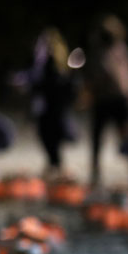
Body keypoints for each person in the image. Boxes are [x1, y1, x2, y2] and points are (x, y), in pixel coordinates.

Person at [87, 15, 128, 187]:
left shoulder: (113, 50)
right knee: (99, 136)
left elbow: (114, 74)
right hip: (112, 98)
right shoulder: (116, 49)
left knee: (122, 136)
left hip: (112, 98)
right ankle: (96, 170)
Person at [29, 28, 77, 176]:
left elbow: (58, 83)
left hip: (53, 106)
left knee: (51, 139)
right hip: (52, 106)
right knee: (49, 140)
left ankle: (56, 168)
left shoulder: (52, 61)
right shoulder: (47, 60)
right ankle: (54, 166)